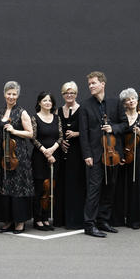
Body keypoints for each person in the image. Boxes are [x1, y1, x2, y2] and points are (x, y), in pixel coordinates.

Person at [78, 71, 126, 238]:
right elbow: (83, 133)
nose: (91, 86)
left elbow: (125, 124)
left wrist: (113, 128)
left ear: (102, 84)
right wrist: (87, 155)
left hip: (113, 154)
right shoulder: (85, 106)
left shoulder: (116, 103)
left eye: (93, 83)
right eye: (89, 84)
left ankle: (103, 220)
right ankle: (89, 224)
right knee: (94, 190)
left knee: (110, 188)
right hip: (95, 154)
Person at [0, 81, 34, 234]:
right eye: (9, 93)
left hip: (17, 155)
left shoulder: (22, 112)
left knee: (18, 187)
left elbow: (30, 133)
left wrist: (14, 131)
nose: (11, 96)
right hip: (1, 154)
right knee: (4, 186)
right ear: (4, 94)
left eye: (14, 94)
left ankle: (19, 222)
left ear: (18, 95)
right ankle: (7, 220)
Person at [113, 88, 140, 229]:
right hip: (120, 155)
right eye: (128, 99)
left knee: (135, 187)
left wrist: (139, 132)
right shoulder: (120, 119)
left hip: (136, 156)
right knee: (119, 187)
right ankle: (118, 219)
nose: (131, 101)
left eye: (133, 98)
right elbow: (116, 137)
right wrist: (119, 155)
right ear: (124, 103)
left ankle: (135, 219)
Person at [31, 91, 63, 230]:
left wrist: (53, 150)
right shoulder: (35, 118)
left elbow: (61, 137)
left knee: (50, 188)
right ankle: (37, 219)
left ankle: (45, 218)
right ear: (39, 103)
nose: (47, 103)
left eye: (49, 100)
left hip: (55, 157)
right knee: (39, 189)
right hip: (39, 157)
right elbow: (33, 137)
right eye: (44, 100)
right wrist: (45, 151)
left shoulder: (57, 118)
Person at [57, 81, 85, 229]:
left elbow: (89, 131)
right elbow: (55, 131)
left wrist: (76, 134)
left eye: (72, 93)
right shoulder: (58, 111)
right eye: (66, 93)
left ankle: (76, 220)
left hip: (77, 152)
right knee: (63, 184)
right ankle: (62, 220)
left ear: (76, 94)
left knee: (76, 185)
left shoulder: (82, 109)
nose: (69, 95)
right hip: (63, 152)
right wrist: (60, 142)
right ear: (63, 95)